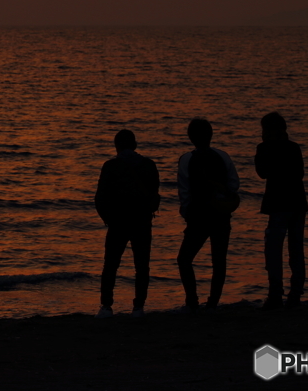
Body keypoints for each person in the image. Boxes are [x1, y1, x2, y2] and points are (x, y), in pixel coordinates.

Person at [93, 129, 160, 318]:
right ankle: (138, 307)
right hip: (142, 221)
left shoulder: (110, 166)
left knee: (111, 265)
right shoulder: (149, 165)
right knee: (142, 265)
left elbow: (100, 198)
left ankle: (106, 306)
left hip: (118, 221)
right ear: (135, 145)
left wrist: (107, 219)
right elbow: (155, 191)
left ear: (116, 147)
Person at [176, 118, 240, 311]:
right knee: (219, 261)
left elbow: (184, 191)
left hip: (198, 216)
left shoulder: (187, 159)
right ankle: (213, 302)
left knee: (184, 259)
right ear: (211, 135)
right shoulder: (223, 156)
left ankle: (192, 300)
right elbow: (234, 185)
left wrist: (185, 213)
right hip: (221, 215)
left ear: (190, 137)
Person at [255, 111, 308, 309]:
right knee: (296, 249)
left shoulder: (264, 148)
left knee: (274, 249)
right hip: (297, 202)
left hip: (278, 204)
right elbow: (300, 173)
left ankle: (275, 293)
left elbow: (262, 172)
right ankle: (295, 294)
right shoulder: (294, 148)